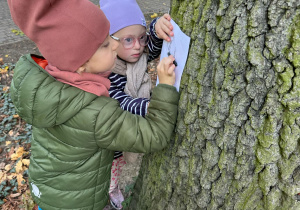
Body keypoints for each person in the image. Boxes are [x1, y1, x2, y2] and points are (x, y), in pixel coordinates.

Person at [7, 0, 179, 210]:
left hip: (49, 190)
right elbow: (155, 135)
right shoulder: (95, 113)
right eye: (106, 44)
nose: (115, 44)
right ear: (81, 64)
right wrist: (166, 88)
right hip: (78, 203)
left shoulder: (49, 81)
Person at [100, 0, 174, 208]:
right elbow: (119, 101)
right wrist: (149, 106)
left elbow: (153, 44)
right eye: (128, 40)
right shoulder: (106, 68)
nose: (138, 46)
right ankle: (111, 196)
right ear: (109, 40)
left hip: (133, 132)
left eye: (141, 38)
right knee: (111, 172)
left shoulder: (138, 54)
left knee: (124, 168)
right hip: (114, 138)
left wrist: (157, 26)